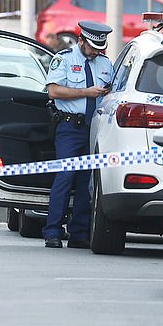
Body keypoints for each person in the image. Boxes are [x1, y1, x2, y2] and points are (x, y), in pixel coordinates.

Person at [43, 21, 113, 249]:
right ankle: (53, 231)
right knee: (65, 176)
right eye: (92, 47)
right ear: (81, 40)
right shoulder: (64, 59)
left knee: (87, 182)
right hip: (70, 127)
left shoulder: (105, 63)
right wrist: (86, 92)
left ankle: (79, 234)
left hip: (94, 129)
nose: (95, 52)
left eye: (99, 49)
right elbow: (53, 91)